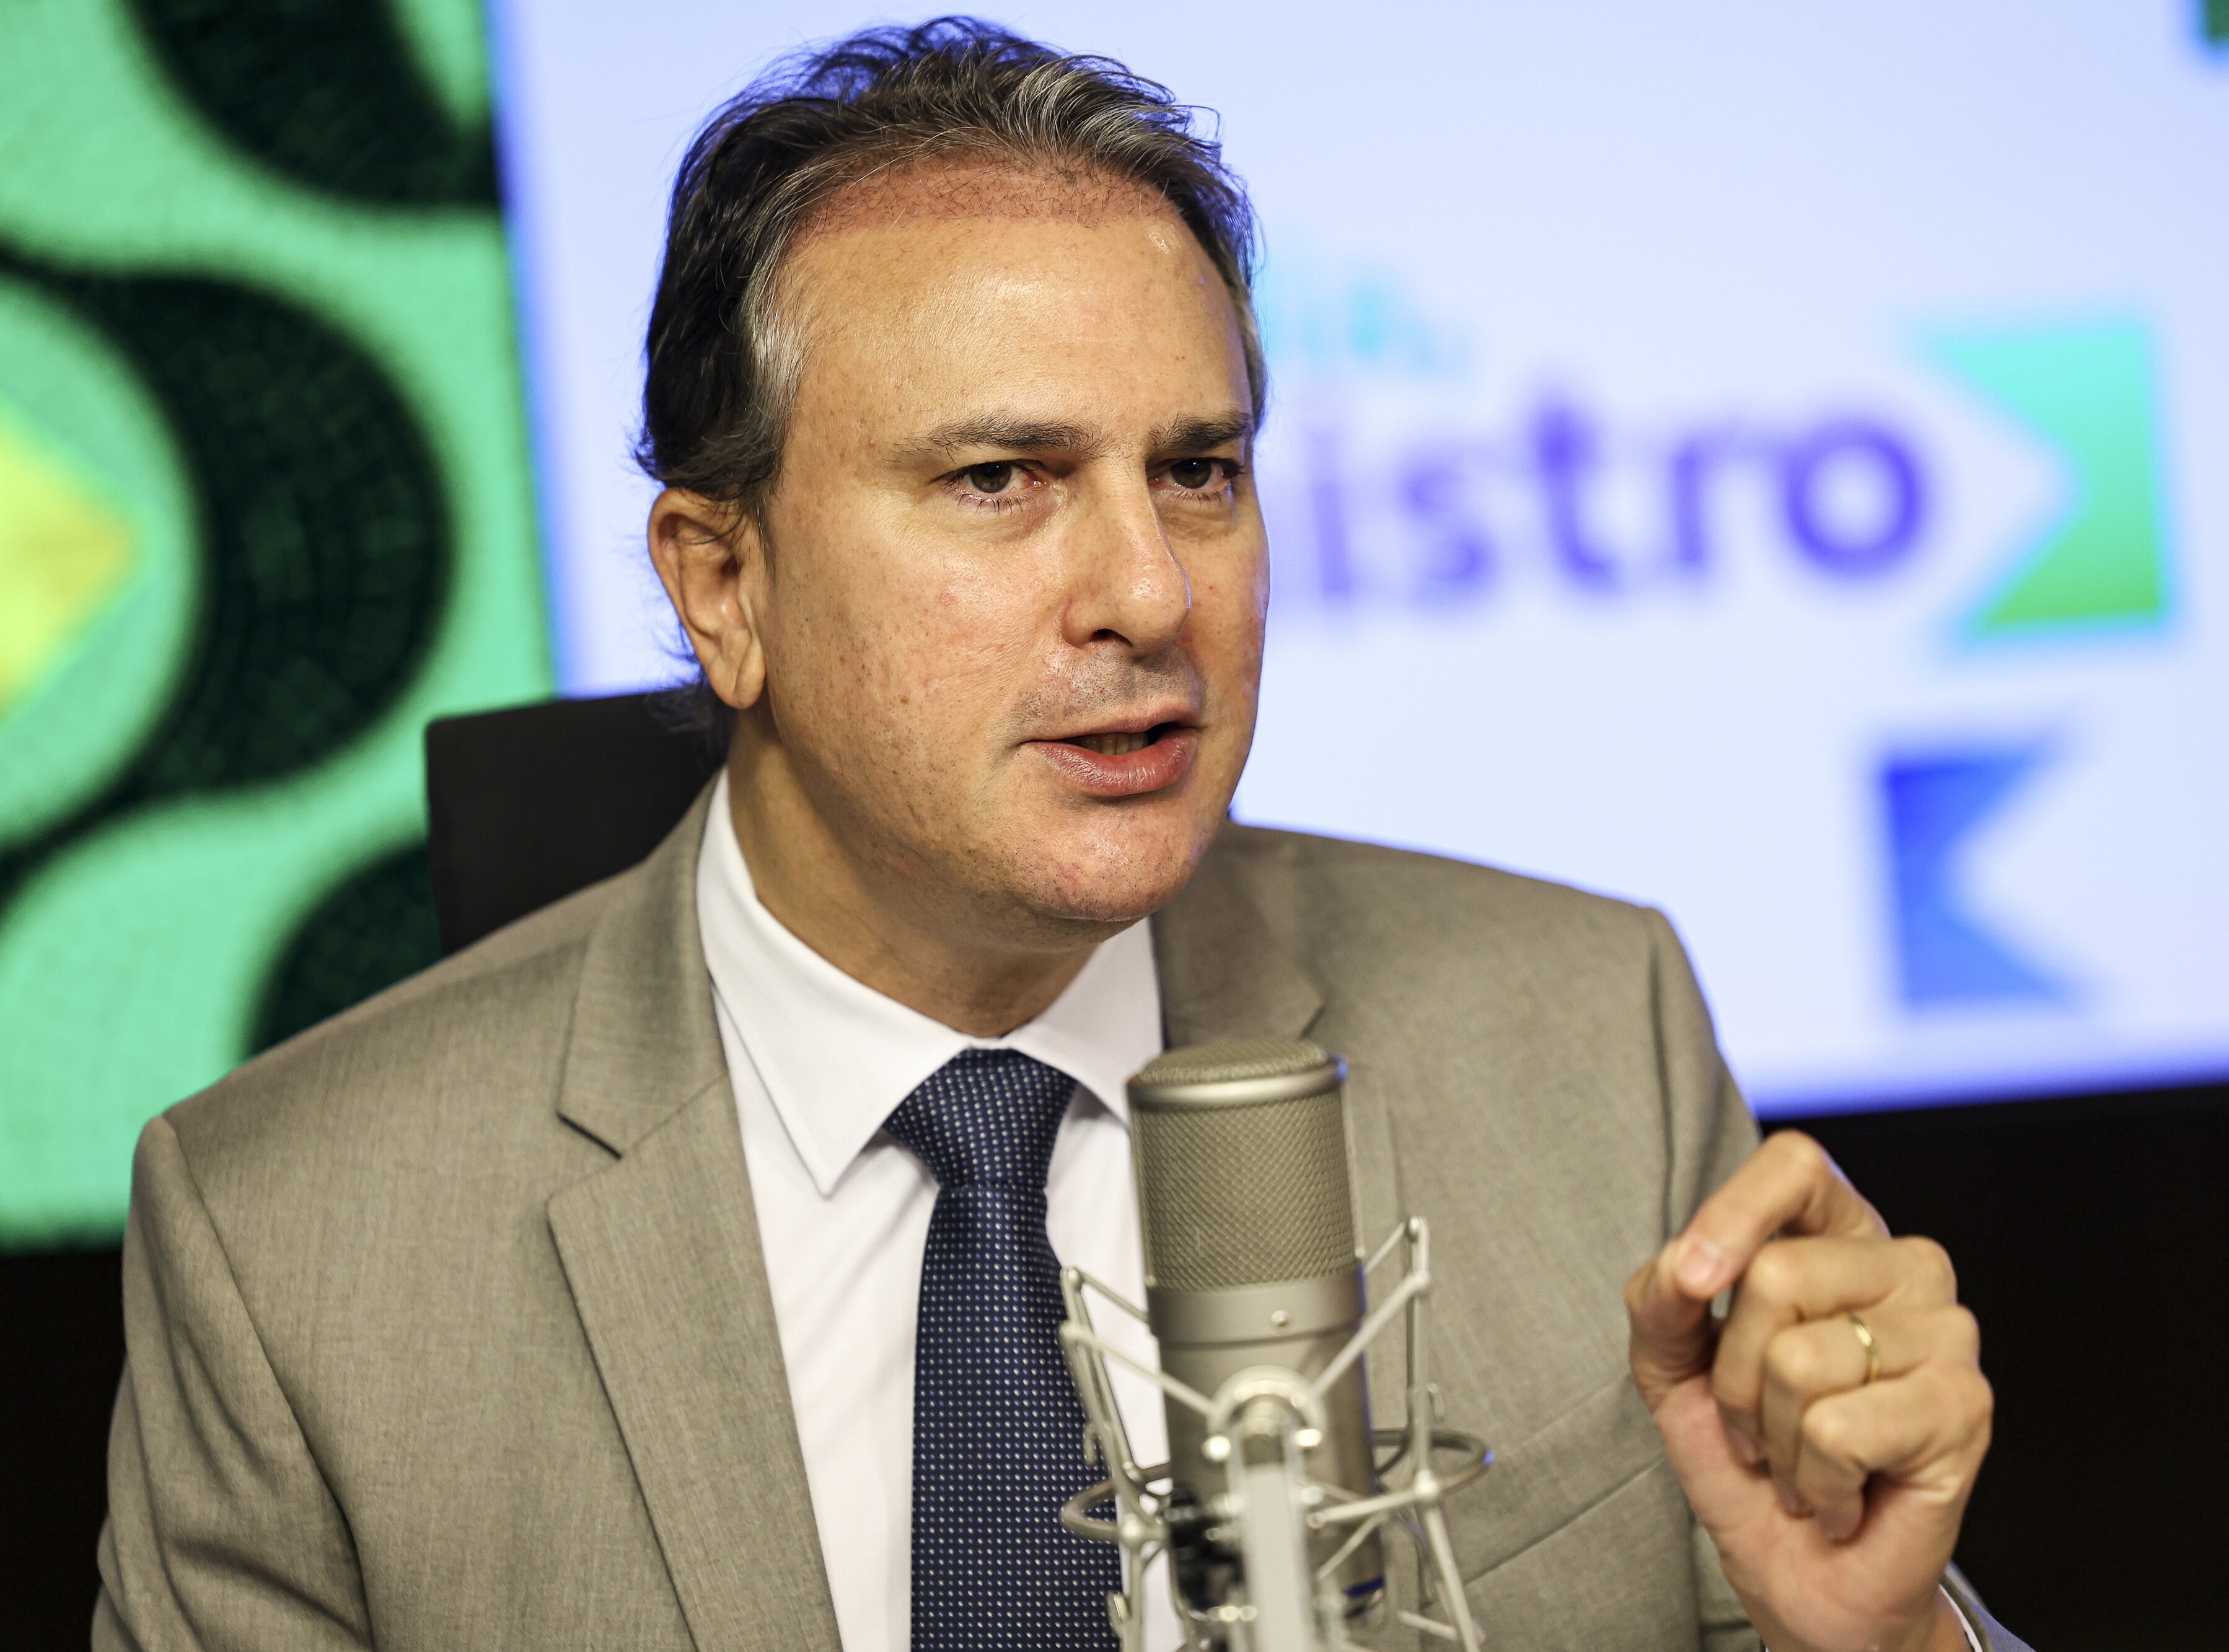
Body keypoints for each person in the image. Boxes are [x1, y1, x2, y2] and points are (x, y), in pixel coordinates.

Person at [96, 20, 2019, 1652]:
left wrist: (1872, 1636)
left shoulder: (1587, 1039)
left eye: (1199, 471)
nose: (1150, 592)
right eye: (1002, 478)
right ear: (722, 582)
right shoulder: (294, 1252)